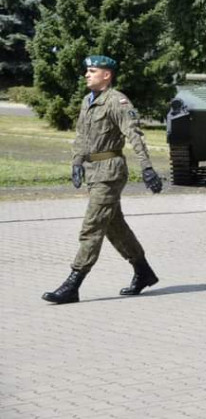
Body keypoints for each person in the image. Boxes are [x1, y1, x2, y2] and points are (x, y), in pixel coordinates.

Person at [42, 55, 164, 305]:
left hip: (110, 171)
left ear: (106, 75)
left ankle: (72, 284)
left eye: (92, 71)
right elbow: (81, 136)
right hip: (93, 170)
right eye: (87, 70)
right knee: (113, 226)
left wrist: (147, 168)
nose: (87, 74)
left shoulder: (117, 101)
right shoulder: (88, 101)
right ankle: (144, 272)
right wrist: (76, 162)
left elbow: (135, 134)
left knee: (92, 226)